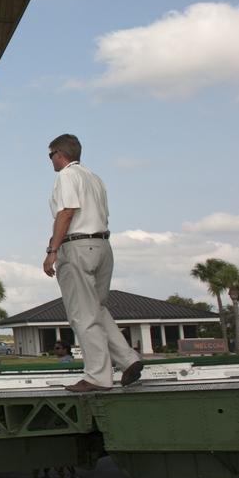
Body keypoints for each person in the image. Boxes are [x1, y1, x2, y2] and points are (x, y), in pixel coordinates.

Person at [43, 134, 142, 392]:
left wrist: (53, 249)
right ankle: (128, 359)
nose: (50, 160)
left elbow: (67, 211)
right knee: (96, 308)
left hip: (77, 246)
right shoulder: (94, 178)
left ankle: (97, 376)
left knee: (82, 314)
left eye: (50, 155)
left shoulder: (66, 176)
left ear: (59, 154)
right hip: (102, 246)